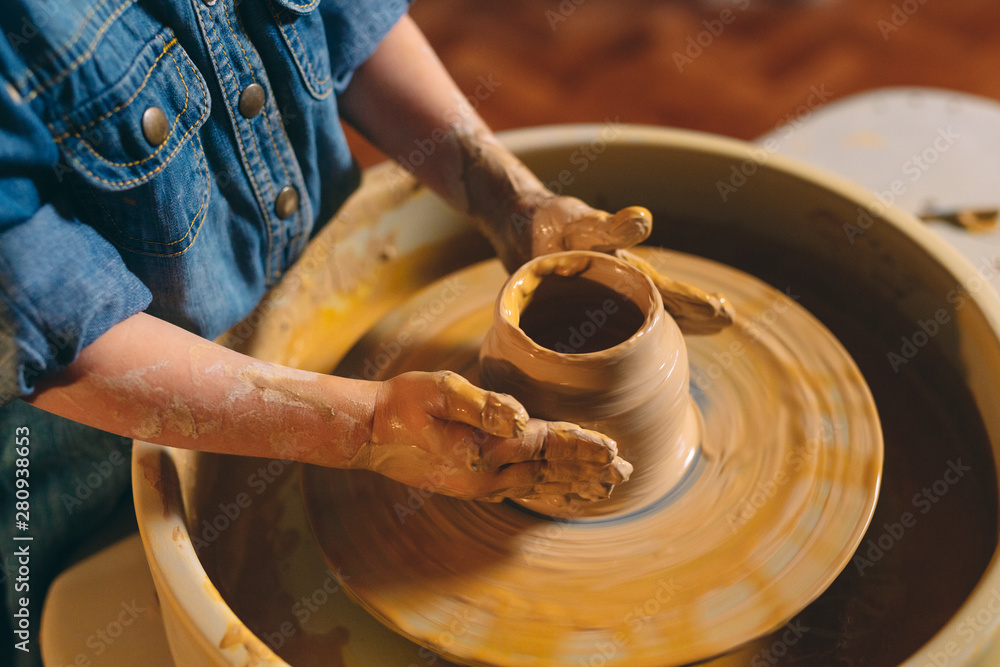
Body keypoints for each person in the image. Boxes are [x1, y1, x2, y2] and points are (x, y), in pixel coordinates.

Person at [0, 1, 654, 662]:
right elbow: (47, 325)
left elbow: (352, 22)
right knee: (46, 614)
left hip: (305, 300)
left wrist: (511, 201)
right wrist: (370, 428)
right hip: (72, 433)